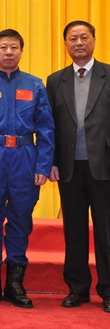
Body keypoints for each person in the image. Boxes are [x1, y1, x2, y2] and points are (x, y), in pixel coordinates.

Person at [0, 29, 54, 308]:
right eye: (3, 47)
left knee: (20, 219)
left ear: (21, 52)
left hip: (25, 158)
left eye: (14, 47)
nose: (8, 52)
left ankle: (15, 284)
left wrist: (43, 165)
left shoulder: (35, 85)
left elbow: (46, 129)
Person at [47, 20, 110, 313]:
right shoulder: (55, 80)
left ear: (94, 41)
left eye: (84, 37)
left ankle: (108, 290)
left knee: (106, 231)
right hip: (69, 167)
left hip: (104, 166)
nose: (79, 42)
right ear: (66, 45)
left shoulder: (108, 74)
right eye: (73, 38)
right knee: (74, 230)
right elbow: (49, 126)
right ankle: (77, 288)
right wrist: (52, 162)